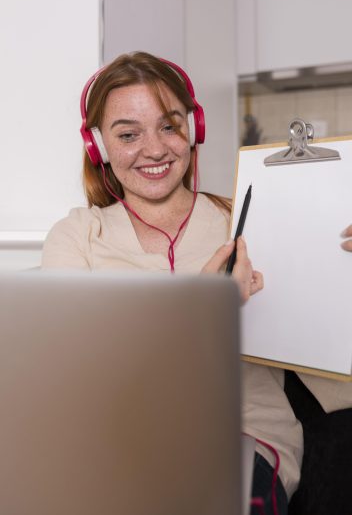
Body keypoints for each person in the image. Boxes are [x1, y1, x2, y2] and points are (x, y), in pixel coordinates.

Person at [42, 51, 303, 515]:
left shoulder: (253, 223)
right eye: (128, 134)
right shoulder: (77, 234)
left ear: (193, 129)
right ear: (99, 147)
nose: (155, 149)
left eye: (169, 125)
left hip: (236, 436)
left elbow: (329, 345)